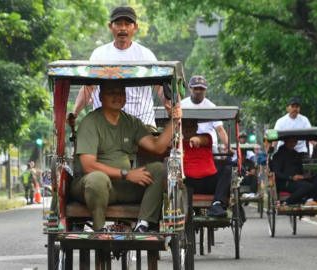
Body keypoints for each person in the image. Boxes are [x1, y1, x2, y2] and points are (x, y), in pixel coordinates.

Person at [71, 81, 182, 232]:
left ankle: (143, 224)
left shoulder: (131, 122)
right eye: (111, 91)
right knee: (97, 178)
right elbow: (88, 166)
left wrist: (174, 121)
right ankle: (99, 228)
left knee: (158, 169)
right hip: (93, 187)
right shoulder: (90, 122)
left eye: (121, 91)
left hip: (122, 186)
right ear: (100, 96)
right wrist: (127, 174)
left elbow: (157, 147)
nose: (117, 95)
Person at [70, 6, 165, 128]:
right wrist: (75, 113)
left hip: (141, 122)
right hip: (105, 124)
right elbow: (88, 88)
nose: (123, 28)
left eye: (127, 24)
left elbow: (161, 88)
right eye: (118, 24)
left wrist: (172, 109)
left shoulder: (146, 55)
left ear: (135, 27)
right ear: (111, 27)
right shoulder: (99, 54)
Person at [182, 119, 231, 217]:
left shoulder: (207, 137)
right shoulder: (177, 144)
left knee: (227, 170)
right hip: (187, 184)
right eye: (185, 126)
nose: (188, 128)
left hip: (209, 182)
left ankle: (216, 204)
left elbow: (204, 140)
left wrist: (197, 139)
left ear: (196, 128)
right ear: (180, 128)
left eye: (191, 125)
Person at [180, 75, 231, 154]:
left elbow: (220, 129)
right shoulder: (182, 105)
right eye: (196, 88)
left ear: (205, 90)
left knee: (215, 161)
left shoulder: (211, 106)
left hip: (208, 144)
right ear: (190, 88)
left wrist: (229, 147)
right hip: (187, 142)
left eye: (201, 89)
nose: (198, 91)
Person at [271, 137, 317, 206]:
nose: (291, 144)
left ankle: (311, 200)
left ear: (296, 142)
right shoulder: (278, 156)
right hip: (285, 182)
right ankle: (287, 203)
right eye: (290, 141)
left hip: (297, 179)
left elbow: (299, 169)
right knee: (307, 186)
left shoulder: (295, 154)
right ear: (285, 142)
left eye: (294, 141)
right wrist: (291, 177)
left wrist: (305, 176)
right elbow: (276, 173)